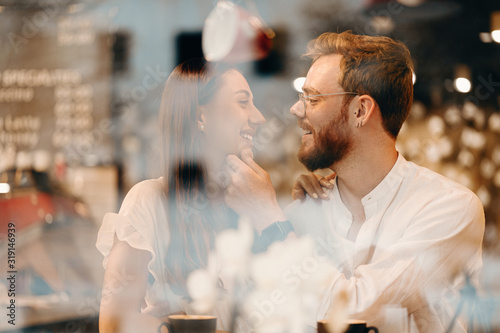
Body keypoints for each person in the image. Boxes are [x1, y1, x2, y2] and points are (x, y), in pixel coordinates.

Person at [225, 31, 484, 332]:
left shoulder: (449, 207)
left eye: (312, 99)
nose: (296, 110)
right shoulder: (300, 217)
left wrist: (268, 218)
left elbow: (354, 312)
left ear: (360, 110)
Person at [96, 58, 269, 333]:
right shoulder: (150, 201)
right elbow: (115, 323)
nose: (258, 117)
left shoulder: (250, 202)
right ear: (201, 116)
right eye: (243, 102)